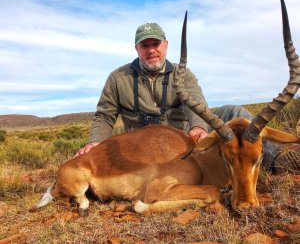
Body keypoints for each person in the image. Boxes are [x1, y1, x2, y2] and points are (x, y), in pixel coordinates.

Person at [76, 22, 299, 174]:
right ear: (137, 48)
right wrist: (95, 142)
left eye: (156, 44)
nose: (151, 50)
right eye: (145, 45)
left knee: (235, 113)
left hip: (183, 135)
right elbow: (104, 116)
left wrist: (199, 127)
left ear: (165, 45)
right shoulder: (118, 78)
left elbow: (196, 104)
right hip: (145, 144)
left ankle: (278, 161)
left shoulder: (182, 72)